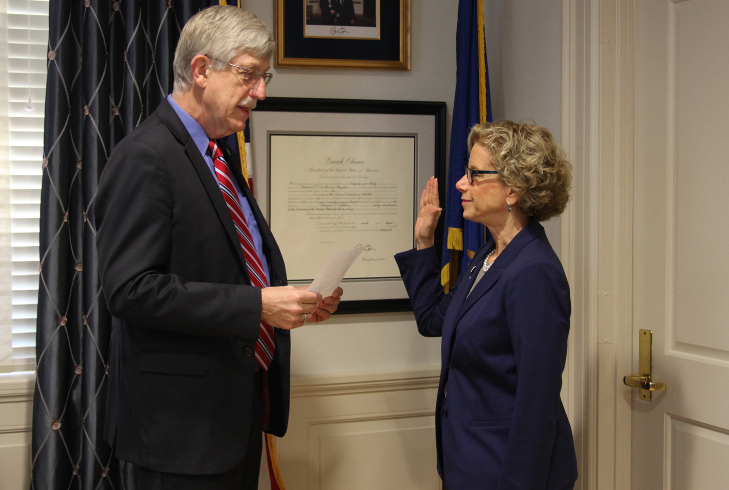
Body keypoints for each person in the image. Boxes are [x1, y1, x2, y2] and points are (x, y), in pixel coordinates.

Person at [95, 6, 342, 489]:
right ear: (201, 70)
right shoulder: (145, 156)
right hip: (178, 436)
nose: (261, 93)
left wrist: (293, 304)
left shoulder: (222, 153)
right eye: (249, 75)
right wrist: (257, 306)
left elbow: (232, 268)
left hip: (235, 417)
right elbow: (129, 290)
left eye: (263, 77)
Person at [395, 121, 578, 489]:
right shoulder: (488, 257)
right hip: (470, 459)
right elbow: (434, 321)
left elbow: (537, 401)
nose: (461, 184)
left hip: (505, 469)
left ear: (514, 189)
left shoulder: (534, 271)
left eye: (474, 175)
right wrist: (423, 241)